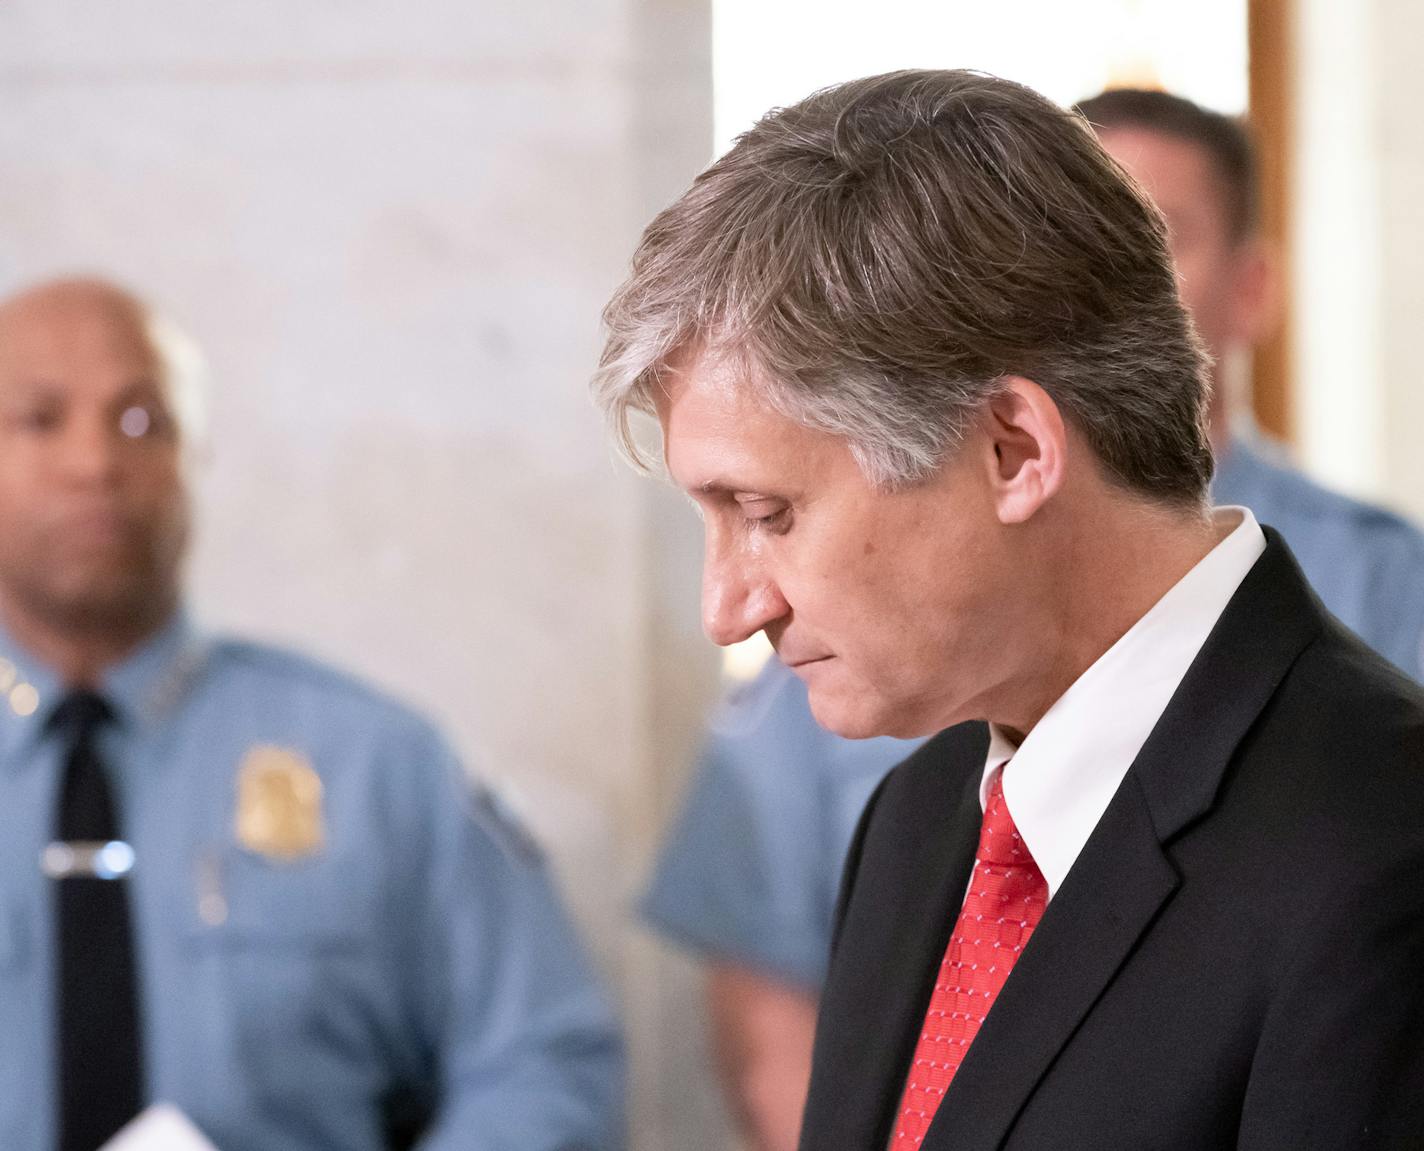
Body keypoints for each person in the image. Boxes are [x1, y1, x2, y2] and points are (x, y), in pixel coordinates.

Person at [596, 69, 1424, 1151]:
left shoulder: (1380, 855)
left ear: (1013, 451)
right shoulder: (916, 819)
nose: (727, 606)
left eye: (767, 511)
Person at [0, 278, 624, 1151]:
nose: (94, 462)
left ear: (196, 452)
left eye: (142, 420)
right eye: (39, 417)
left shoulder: (376, 765)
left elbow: (546, 1062)